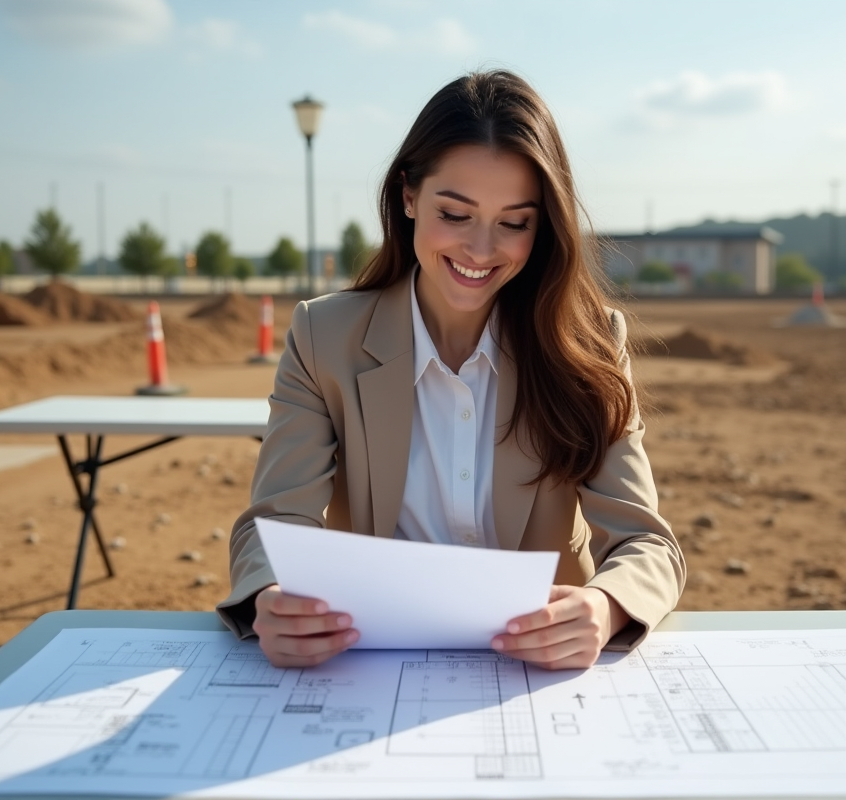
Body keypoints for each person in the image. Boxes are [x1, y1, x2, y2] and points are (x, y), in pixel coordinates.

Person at [218, 70, 684, 670]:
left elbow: (648, 543)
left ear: (542, 226)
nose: (481, 250)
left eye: (514, 222)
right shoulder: (323, 337)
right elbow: (274, 522)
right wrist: (269, 597)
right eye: (456, 214)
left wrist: (604, 607)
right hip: (366, 669)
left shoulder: (589, 345)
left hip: (537, 677)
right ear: (409, 195)